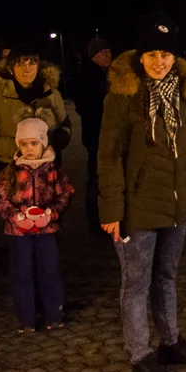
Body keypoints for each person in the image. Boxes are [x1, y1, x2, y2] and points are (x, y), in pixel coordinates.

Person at [98, 13, 186, 372]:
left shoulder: (185, 95)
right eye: (151, 54)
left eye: (165, 54)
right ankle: (140, 356)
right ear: (139, 57)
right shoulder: (124, 96)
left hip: (177, 204)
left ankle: (170, 342)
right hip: (137, 207)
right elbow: (108, 156)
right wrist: (112, 209)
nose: (158, 61)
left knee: (167, 277)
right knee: (136, 284)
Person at [0, 118, 74, 334]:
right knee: (22, 273)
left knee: (49, 271)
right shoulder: (10, 172)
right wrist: (15, 216)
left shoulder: (53, 170)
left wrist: (51, 213)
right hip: (18, 233)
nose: (29, 149)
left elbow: (65, 194)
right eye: (24, 144)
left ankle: (54, 314)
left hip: (46, 231)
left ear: (43, 143)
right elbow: (0, 199)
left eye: (34, 144)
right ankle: (26, 318)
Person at [0, 45, 71, 177]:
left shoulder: (51, 93)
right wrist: (16, 147)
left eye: (32, 63)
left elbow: (65, 126)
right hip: (12, 173)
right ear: (11, 69)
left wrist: (52, 145)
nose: (28, 69)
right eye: (21, 64)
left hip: (48, 172)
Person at [74, 37, 112, 233]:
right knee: (96, 176)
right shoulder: (88, 76)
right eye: (102, 52)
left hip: (103, 133)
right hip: (96, 133)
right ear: (93, 55)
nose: (107, 55)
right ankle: (95, 219)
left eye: (108, 51)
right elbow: (85, 107)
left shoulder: (107, 74)